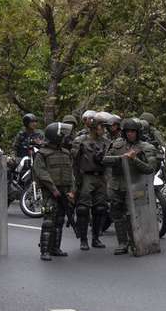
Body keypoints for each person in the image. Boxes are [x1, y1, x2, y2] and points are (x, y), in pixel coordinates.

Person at [102, 119, 158, 254]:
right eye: (127, 131)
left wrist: (134, 159)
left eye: (133, 131)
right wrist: (121, 158)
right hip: (117, 184)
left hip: (136, 185)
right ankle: (122, 243)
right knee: (117, 213)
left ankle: (138, 241)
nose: (130, 134)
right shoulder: (117, 144)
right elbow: (105, 160)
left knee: (133, 214)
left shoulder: (146, 147)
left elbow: (150, 168)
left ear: (138, 132)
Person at [33, 122, 75, 261]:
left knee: (60, 220)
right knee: (49, 221)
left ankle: (56, 248)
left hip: (64, 191)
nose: (65, 138)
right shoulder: (42, 153)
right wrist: (53, 189)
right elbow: (41, 173)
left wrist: (72, 191)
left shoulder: (66, 152)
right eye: (62, 135)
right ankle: (45, 251)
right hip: (50, 192)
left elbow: (71, 173)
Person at [71, 112, 110, 250]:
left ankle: (96, 238)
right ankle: (83, 240)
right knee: (82, 209)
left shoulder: (106, 142)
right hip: (85, 176)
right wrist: (75, 181)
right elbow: (73, 161)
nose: (103, 129)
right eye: (101, 126)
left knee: (100, 208)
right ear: (94, 126)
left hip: (101, 176)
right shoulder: (80, 141)